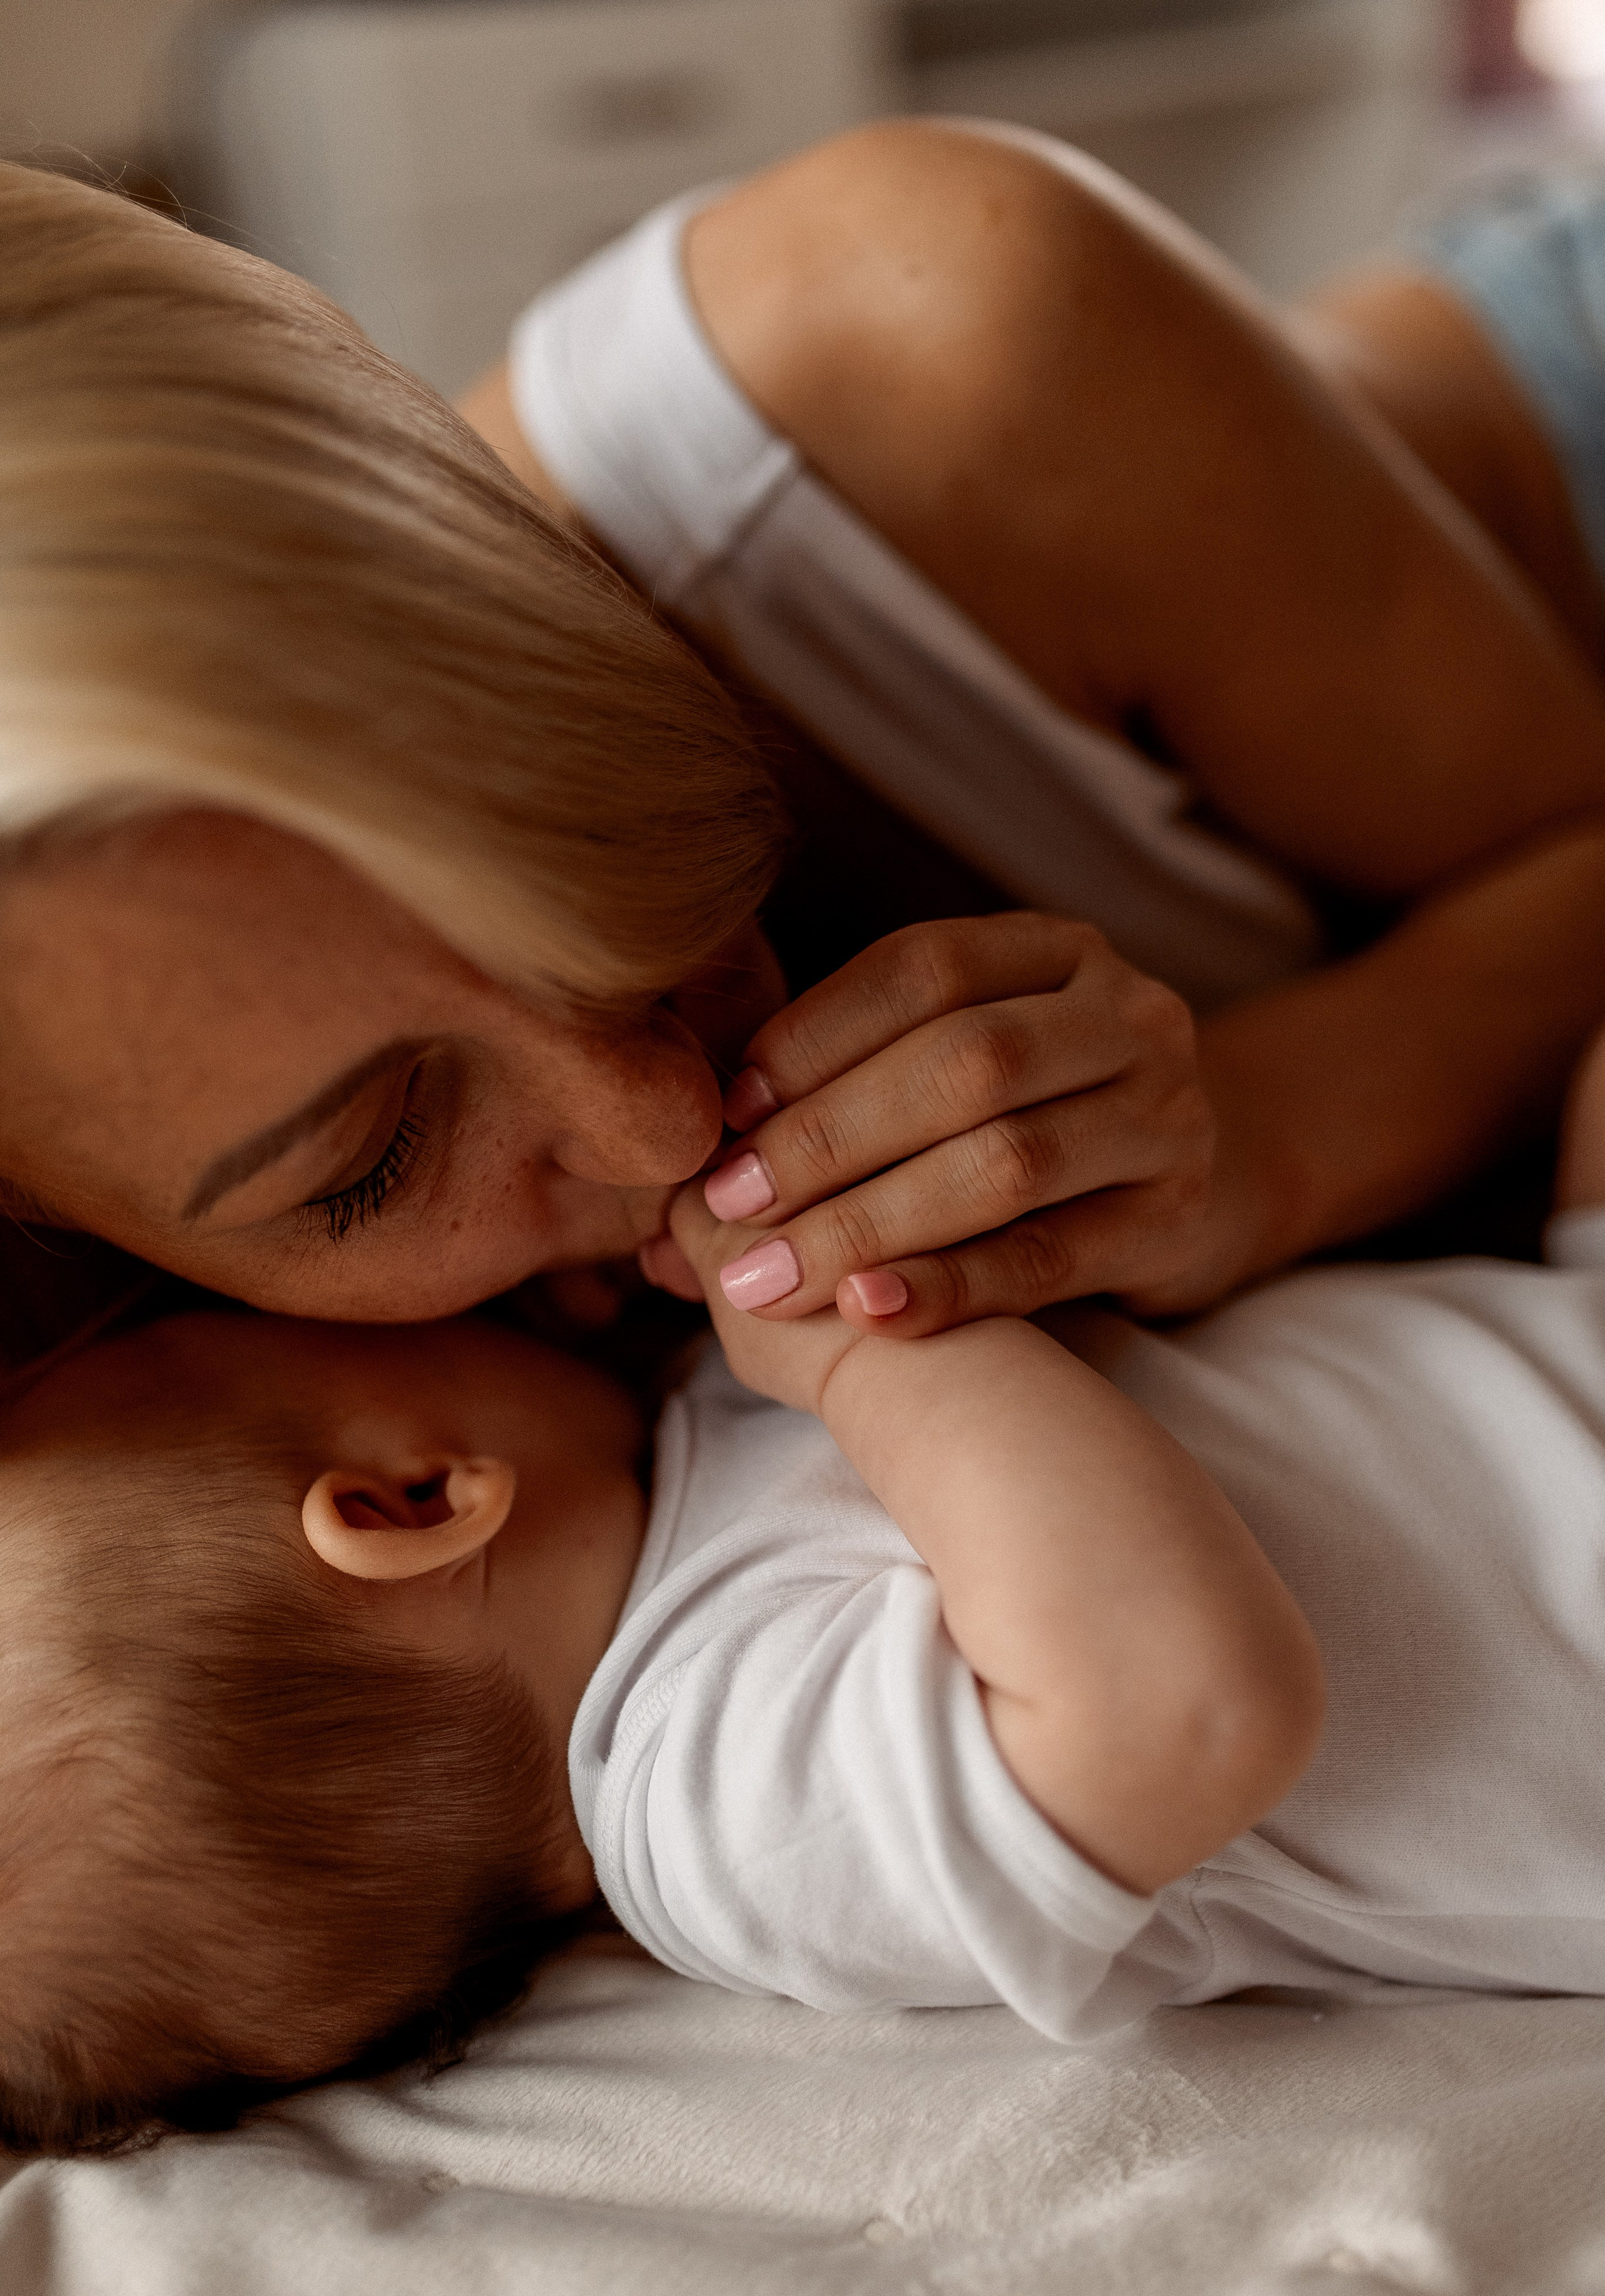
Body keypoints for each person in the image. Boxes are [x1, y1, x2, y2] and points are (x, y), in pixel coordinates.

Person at [5, 128, 1605, 1371]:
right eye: (369, 1163)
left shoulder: (930, 337)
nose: (661, 1127)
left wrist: (1265, 1139)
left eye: (570, 810)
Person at [5, 1021, 1605, 2157]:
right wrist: (849, 1348)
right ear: (410, 1500)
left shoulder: (691, 1457)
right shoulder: (721, 1806)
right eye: (198, 1332)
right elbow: (1182, 1707)